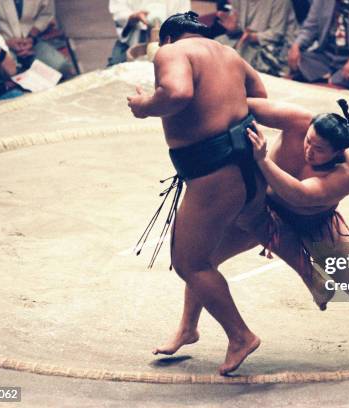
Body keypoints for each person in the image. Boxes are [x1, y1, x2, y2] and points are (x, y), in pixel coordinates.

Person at [153, 98, 349, 364]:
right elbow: (241, 101)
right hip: (265, 212)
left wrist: (262, 160)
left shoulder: (347, 174)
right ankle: (188, 329)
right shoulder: (296, 122)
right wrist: (194, 101)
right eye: (309, 140)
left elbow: (301, 195)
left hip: (316, 223)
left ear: (337, 153)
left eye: (318, 149)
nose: (308, 150)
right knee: (201, 261)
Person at [126, 11, 268, 375]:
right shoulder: (229, 54)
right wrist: (228, 114)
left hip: (214, 172)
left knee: (190, 263)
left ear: (168, 37)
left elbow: (176, 92)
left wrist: (145, 107)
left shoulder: (171, 52)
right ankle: (188, 328)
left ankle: (240, 335)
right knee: (195, 253)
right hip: (243, 169)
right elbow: (260, 96)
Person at [287, 0, 349, 92]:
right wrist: (297, 45)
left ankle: (325, 80)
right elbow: (310, 27)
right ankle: (327, 80)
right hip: (325, 56)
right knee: (301, 60)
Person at [0, 0, 74, 78]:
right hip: (2, 44)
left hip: (31, 41)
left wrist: (31, 39)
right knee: (7, 75)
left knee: (61, 67)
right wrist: (5, 42)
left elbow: (46, 14)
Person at [215, 0, 298, 76]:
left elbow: (277, 34)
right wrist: (233, 29)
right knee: (217, 43)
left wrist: (251, 36)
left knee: (247, 59)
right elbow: (240, 28)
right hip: (246, 39)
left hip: (274, 44)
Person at [107, 0, 190, 66]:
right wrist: (132, 17)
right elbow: (118, 9)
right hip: (132, 37)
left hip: (170, 39)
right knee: (114, 70)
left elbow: (185, 16)